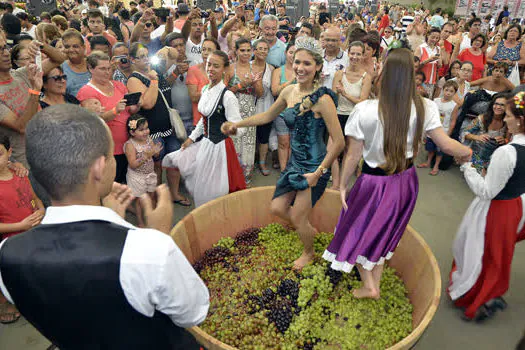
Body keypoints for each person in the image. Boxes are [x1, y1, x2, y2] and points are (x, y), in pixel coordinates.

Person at [0, 104, 209, 348]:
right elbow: (194, 314)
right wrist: (157, 236)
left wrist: (112, 223)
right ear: (100, 167)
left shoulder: (7, 253)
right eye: (111, 155)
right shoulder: (149, 249)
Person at [322, 48, 471, 299]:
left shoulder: (365, 110)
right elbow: (446, 145)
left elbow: (353, 155)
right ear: (412, 74)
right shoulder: (425, 106)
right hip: (406, 182)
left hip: (373, 183)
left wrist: (343, 184)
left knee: (356, 229)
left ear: (384, 73)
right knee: (382, 230)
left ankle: (370, 286)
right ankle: (373, 284)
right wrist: (469, 152)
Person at [222, 36, 345, 270]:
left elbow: (338, 142)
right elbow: (267, 116)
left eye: (307, 63)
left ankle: (309, 251)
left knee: (298, 216)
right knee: (277, 208)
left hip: (314, 167)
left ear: (318, 66)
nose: (300, 68)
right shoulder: (288, 91)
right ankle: (306, 229)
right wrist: (237, 124)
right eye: (297, 62)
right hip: (293, 163)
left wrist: (320, 172)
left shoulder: (324, 99)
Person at [448, 91, 525, 322]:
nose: (506, 119)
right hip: (515, 207)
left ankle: (473, 296)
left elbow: (487, 191)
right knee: (499, 256)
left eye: (510, 115)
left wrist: (466, 166)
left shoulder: (507, 152)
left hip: (495, 210)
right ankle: (490, 293)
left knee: (477, 252)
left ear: (520, 120)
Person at [162, 50, 246, 207]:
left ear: (225, 70)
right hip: (206, 145)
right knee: (204, 187)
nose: (211, 69)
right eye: (209, 65)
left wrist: (232, 129)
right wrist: (191, 138)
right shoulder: (206, 89)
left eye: (216, 66)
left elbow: (240, 127)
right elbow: (203, 119)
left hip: (221, 148)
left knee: (218, 190)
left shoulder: (228, 96)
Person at [127, 43, 190, 206]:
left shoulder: (155, 71)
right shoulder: (134, 79)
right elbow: (148, 103)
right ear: (132, 59)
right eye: (141, 56)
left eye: (147, 55)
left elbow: (174, 55)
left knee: (175, 161)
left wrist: (165, 50)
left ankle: (174, 194)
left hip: (169, 128)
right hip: (152, 132)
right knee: (155, 167)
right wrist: (153, 80)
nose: (146, 59)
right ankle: (155, 201)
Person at [0, 134, 44, 324]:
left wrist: (41, 209)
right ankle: (6, 301)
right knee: (12, 275)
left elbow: (34, 198)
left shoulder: (20, 174)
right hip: (11, 242)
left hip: (32, 235)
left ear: (9, 152)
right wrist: (20, 226)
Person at [77, 51, 139, 184]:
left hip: (128, 146)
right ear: (91, 69)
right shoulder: (87, 91)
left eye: (109, 68)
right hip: (107, 150)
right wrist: (115, 110)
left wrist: (136, 105)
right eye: (102, 69)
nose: (107, 72)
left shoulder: (118, 85)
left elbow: (130, 110)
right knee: (109, 187)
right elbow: (93, 121)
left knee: (127, 186)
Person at [331, 41, 372, 190]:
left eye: (358, 54)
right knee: (334, 150)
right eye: (352, 53)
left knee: (349, 152)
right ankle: (335, 183)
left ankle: (344, 183)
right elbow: (333, 97)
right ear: (348, 53)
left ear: (363, 56)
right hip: (337, 115)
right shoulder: (339, 73)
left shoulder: (366, 77)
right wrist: (337, 91)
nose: (354, 57)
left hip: (355, 117)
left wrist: (345, 93)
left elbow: (362, 101)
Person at [0, 35, 42, 167]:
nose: (7, 53)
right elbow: (23, 127)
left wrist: (40, 46)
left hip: (45, 153)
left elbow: (58, 59)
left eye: (5, 47)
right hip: (24, 165)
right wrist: (35, 90)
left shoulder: (19, 74)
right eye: (0, 50)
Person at [226, 38, 263, 184]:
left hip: (249, 111)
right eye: (242, 50)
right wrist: (241, 84)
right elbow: (224, 92)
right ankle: (232, 178)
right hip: (232, 110)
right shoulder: (229, 68)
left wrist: (254, 84)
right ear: (236, 51)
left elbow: (260, 94)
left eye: (248, 50)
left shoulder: (255, 69)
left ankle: (246, 178)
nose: (246, 53)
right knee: (233, 142)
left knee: (248, 143)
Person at [124, 114, 162, 227]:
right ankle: (140, 221)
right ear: (132, 132)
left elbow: (155, 154)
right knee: (140, 200)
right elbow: (133, 164)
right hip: (137, 177)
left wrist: (156, 151)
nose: (146, 132)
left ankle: (150, 215)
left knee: (151, 195)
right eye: (141, 130)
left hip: (150, 173)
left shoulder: (148, 139)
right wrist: (146, 156)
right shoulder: (130, 145)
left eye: (146, 128)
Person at [418, 80, 459, 175]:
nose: (448, 93)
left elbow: (453, 121)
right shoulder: (435, 101)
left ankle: (436, 166)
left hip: (443, 132)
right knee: (430, 148)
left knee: (440, 150)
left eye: (451, 91)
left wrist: (448, 134)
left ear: (454, 93)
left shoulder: (454, 106)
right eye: (446, 90)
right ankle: (428, 162)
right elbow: (429, 115)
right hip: (431, 130)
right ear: (443, 90)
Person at [461, 93, 508, 174]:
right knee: (478, 174)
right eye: (496, 104)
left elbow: (511, 140)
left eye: (502, 105)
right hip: (476, 154)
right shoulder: (482, 118)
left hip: (495, 156)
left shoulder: (508, 121)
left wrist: (504, 140)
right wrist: (478, 137)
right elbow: (464, 132)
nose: (498, 107)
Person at [271, 40, 296, 171]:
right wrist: (291, 80)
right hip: (281, 112)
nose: (293, 55)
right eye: (291, 52)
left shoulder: (303, 70)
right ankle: (283, 170)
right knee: (283, 142)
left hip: (298, 112)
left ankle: (291, 170)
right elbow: (275, 91)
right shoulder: (278, 71)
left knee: (294, 144)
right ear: (286, 53)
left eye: (296, 53)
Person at [252, 38, 275, 176]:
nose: (262, 51)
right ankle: (248, 161)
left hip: (266, 107)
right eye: (259, 48)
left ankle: (262, 162)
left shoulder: (271, 68)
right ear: (254, 51)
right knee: (248, 136)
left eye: (265, 49)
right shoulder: (247, 65)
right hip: (249, 108)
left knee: (264, 136)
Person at [187, 38, 217, 128]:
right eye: (203, 49)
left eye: (209, 50)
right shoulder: (193, 70)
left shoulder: (223, 70)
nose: (205, 53)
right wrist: (213, 87)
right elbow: (194, 97)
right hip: (200, 123)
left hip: (218, 121)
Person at [61, 29, 90, 97]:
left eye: (75, 46)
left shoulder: (93, 64)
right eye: (67, 47)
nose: (71, 50)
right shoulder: (61, 68)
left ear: (83, 47)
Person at [415, 27, 443, 97]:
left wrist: (439, 62)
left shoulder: (438, 49)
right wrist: (429, 60)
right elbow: (415, 66)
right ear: (428, 36)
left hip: (432, 82)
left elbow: (439, 66)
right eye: (433, 37)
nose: (434, 40)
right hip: (420, 81)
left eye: (437, 38)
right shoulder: (421, 48)